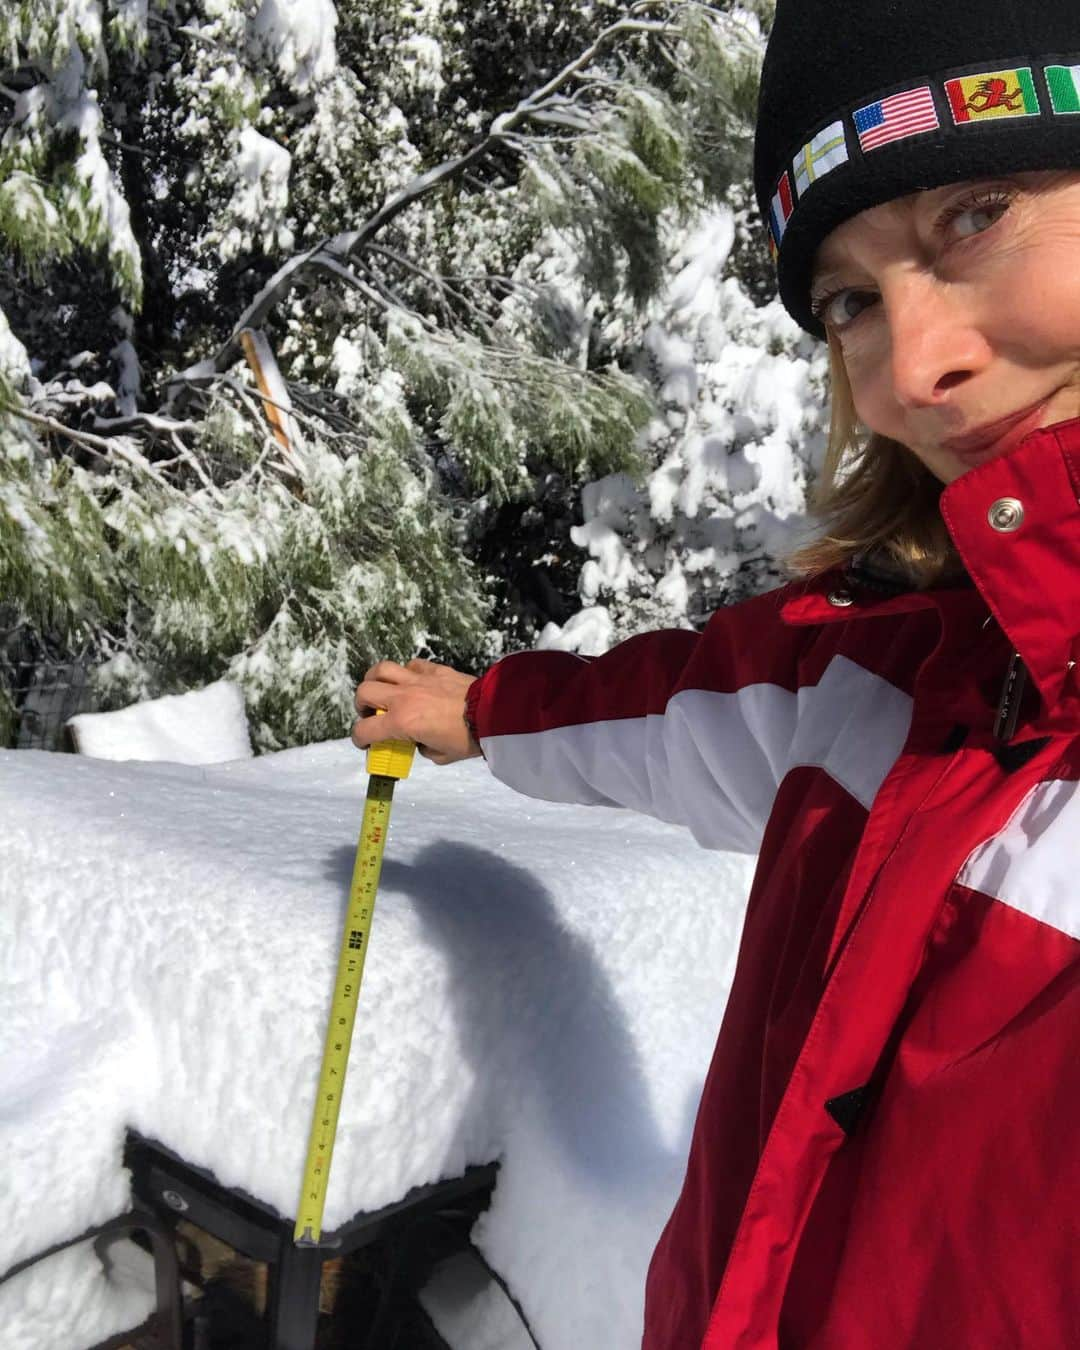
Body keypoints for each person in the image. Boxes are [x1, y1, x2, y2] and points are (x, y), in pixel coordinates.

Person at [354, 1, 1080, 1344]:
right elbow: (680, 704)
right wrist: (483, 711)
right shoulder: (888, 668)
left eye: (976, 214)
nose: (911, 373)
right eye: (853, 299)